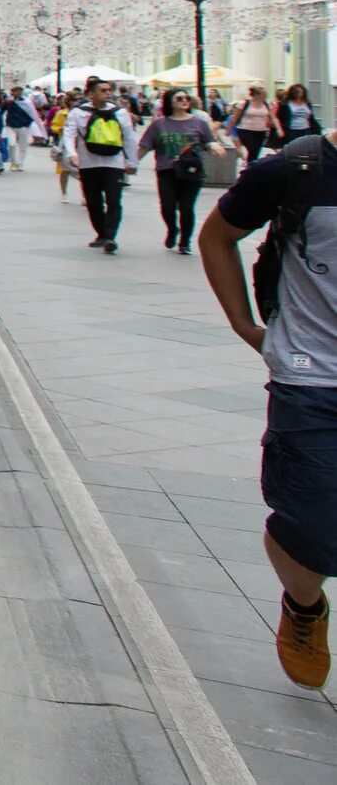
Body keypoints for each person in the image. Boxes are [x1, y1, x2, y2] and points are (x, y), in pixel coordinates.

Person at [195, 127, 337, 689]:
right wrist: (243, 325)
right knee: (313, 527)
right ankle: (304, 607)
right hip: (313, 379)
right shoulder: (297, 169)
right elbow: (216, 238)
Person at [139, 88, 228, 254]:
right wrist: (131, 162)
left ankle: (185, 242)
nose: (184, 101)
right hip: (167, 170)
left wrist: (214, 146)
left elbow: (208, 140)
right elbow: (145, 146)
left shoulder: (198, 123)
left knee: (187, 207)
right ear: (170, 101)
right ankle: (172, 229)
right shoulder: (159, 124)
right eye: (179, 98)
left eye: (186, 98)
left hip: (191, 170)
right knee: (167, 205)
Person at [65, 78, 134, 253]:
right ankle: (102, 234)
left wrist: (132, 161)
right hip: (88, 164)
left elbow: (129, 138)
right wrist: (72, 153)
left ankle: (110, 236)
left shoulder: (120, 113)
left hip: (114, 164)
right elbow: (68, 134)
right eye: (102, 90)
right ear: (91, 94)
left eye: (109, 90)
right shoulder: (78, 113)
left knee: (113, 199)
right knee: (93, 201)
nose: (108, 93)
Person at [237, 85, 279, 163]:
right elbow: (235, 117)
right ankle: (251, 166)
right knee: (253, 148)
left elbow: (273, 117)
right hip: (245, 130)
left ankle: (251, 166)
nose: (265, 96)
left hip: (261, 131)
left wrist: (279, 129)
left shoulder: (267, 104)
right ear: (256, 94)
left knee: (256, 151)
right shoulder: (245, 103)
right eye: (263, 94)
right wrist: (229, 129)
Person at [3, 87, 35, 173]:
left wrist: (27, 124)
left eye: (20, 91)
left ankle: (20, 163)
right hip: (11, 125)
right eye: (16, 91)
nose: (18, 92)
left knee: (23, 146)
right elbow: (1, 111)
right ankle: (13, 162)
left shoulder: (26, 102)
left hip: (23, 126)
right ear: (12, 92)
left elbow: (31, 113)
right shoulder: (9, 102)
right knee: (11, 143)